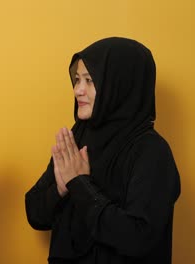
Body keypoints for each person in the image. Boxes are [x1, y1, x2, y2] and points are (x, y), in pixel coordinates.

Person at [25, 37, 181, 264]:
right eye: (77, 80)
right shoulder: (77, 137)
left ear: (120, 85)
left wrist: (79, 184)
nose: (78, 90)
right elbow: (34, 212)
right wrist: (60, 188)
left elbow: (137, 237)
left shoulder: (151, 152)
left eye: (90, 81)